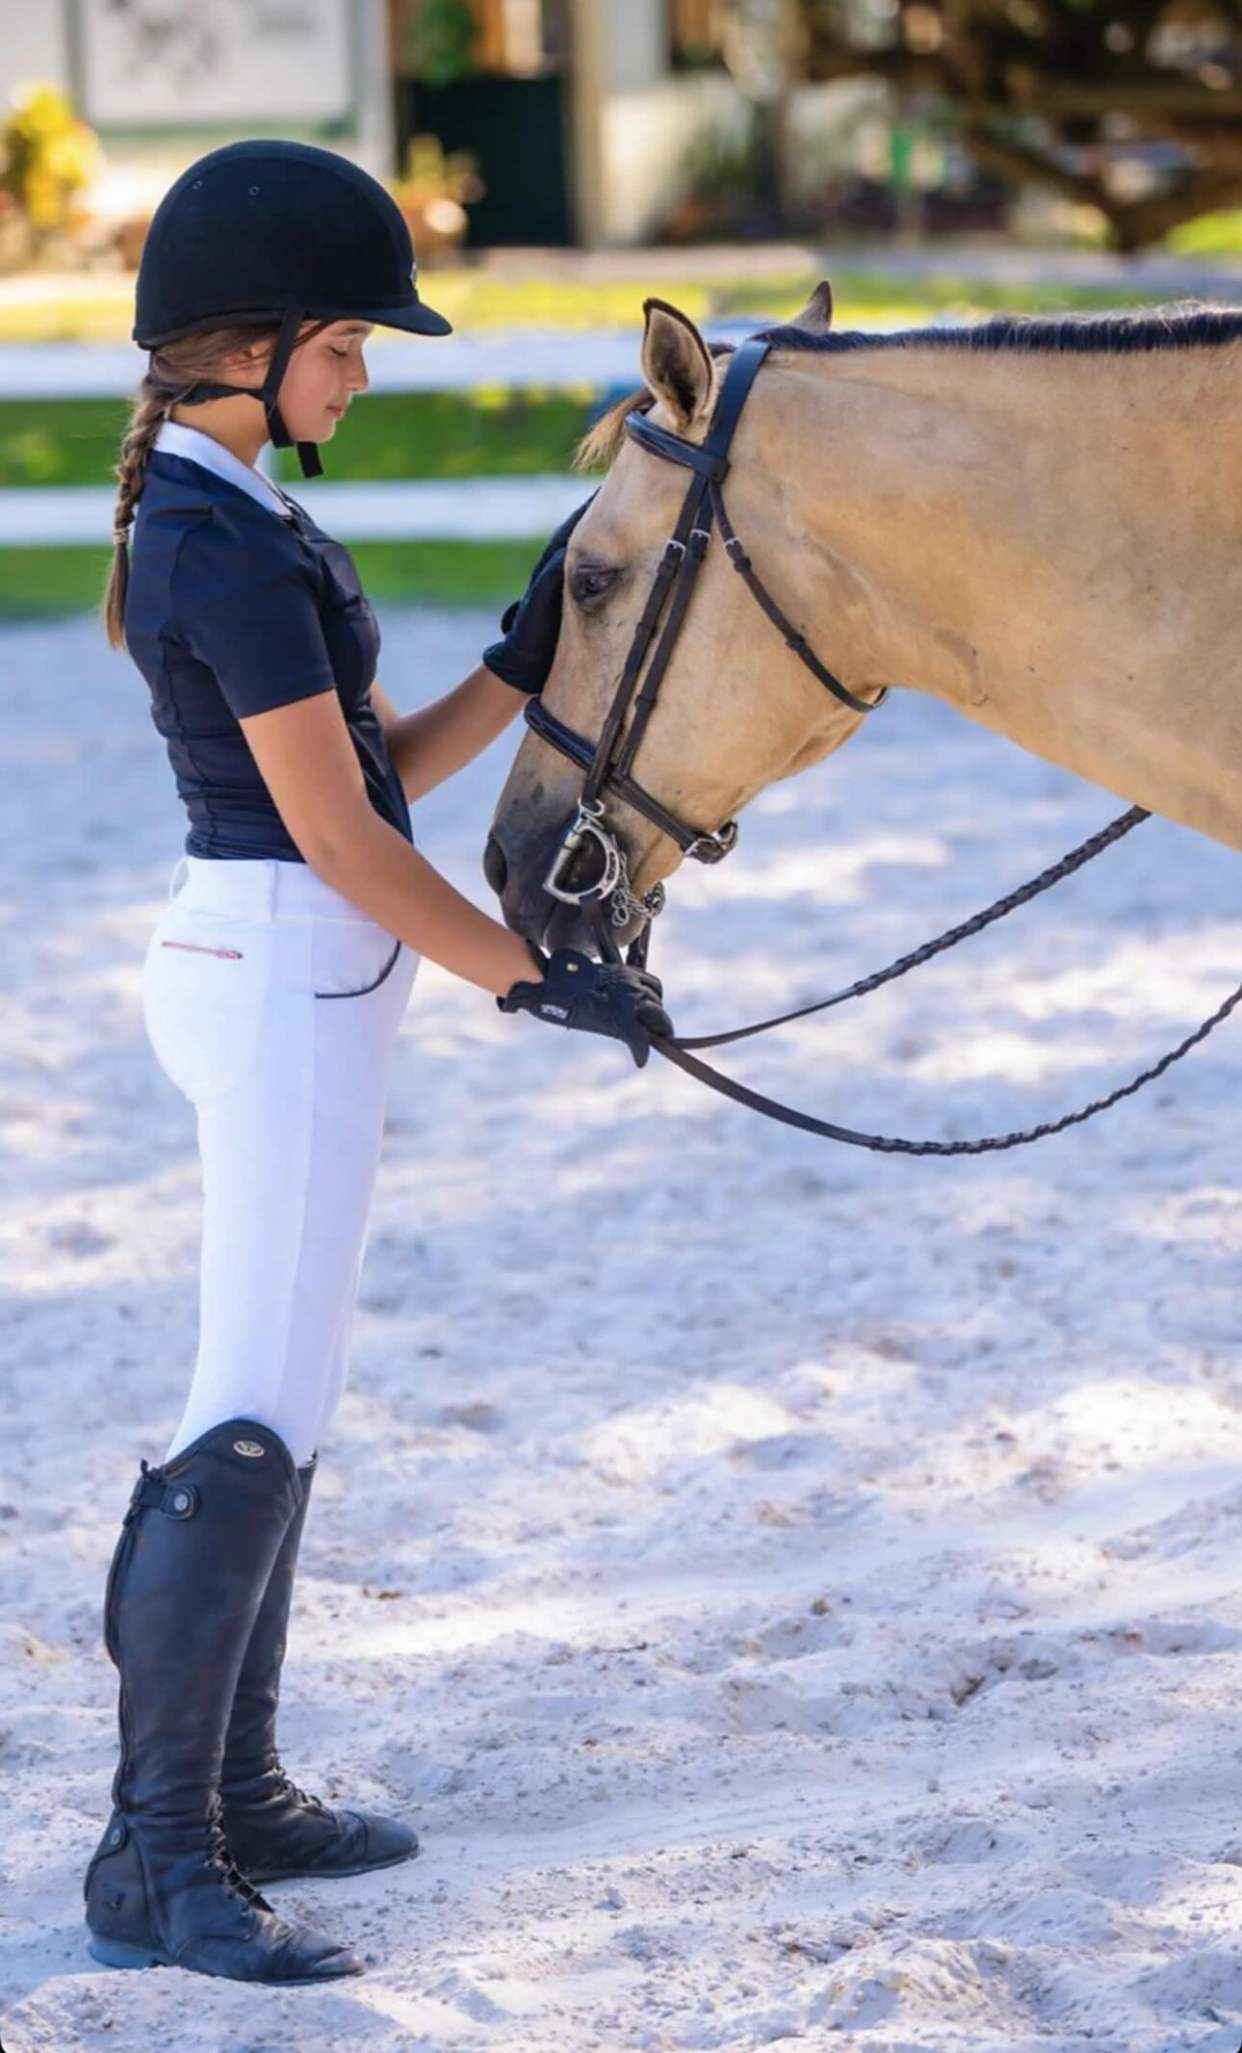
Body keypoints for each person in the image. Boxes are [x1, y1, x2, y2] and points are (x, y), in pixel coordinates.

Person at [84, 137, 672, 1986]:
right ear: (247, 347)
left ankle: (239, 1787)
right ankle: (157, 1851)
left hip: (303, 968)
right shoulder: (213, 543)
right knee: (247, 1401)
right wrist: (529, 979)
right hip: (279, 967)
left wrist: (524, 655)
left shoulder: (244, 514)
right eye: (343, 346)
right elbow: (339, 840)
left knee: (293, 1391)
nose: (360, 376)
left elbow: (377, 773)